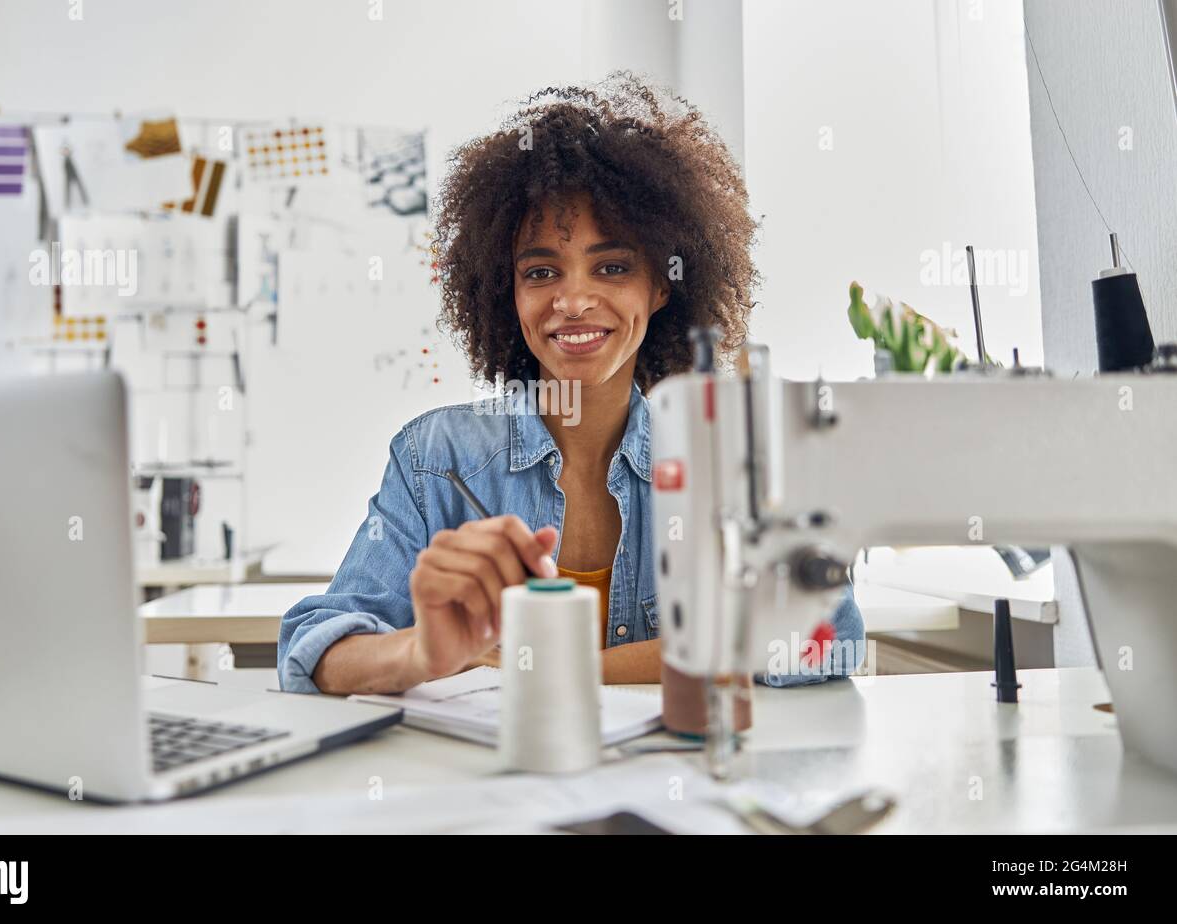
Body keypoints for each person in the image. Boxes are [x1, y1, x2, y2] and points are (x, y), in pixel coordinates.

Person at [279, 72, 863, 695]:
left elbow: (825, 639)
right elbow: (319, 651)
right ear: (509, 294)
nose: (574, 300)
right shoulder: (437, 458)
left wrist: (545, 670)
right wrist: (427, 650)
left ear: (661, 285)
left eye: (612, 267)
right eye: (541, 271)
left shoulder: (729, 453)